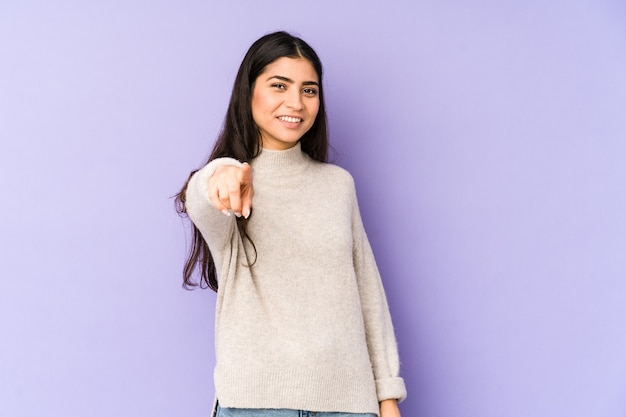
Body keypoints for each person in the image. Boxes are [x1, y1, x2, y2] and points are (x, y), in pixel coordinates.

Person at [175, 31, 406, 417]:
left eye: (309, 90)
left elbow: (368, 293)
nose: (295, 103)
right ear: (248, 92)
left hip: (348, 405)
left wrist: (387, 396)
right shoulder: (230, 185)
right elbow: (201, 198)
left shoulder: (338, 185)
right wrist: (221, 173)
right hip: (256, 405)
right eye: (278, 86)